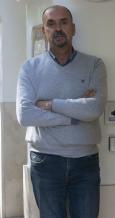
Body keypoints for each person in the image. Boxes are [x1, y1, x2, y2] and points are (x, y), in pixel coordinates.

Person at [16, 5, 107, 218]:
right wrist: (74, 114)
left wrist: (50, 104)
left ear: (73, 28)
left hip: (85, 162)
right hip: (45, 161)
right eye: (51, 24)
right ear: (44, 31)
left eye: (63, 22)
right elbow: (25, 115)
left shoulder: (95, 65)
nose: (58, 29)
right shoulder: (29, 68)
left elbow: (94, 109)